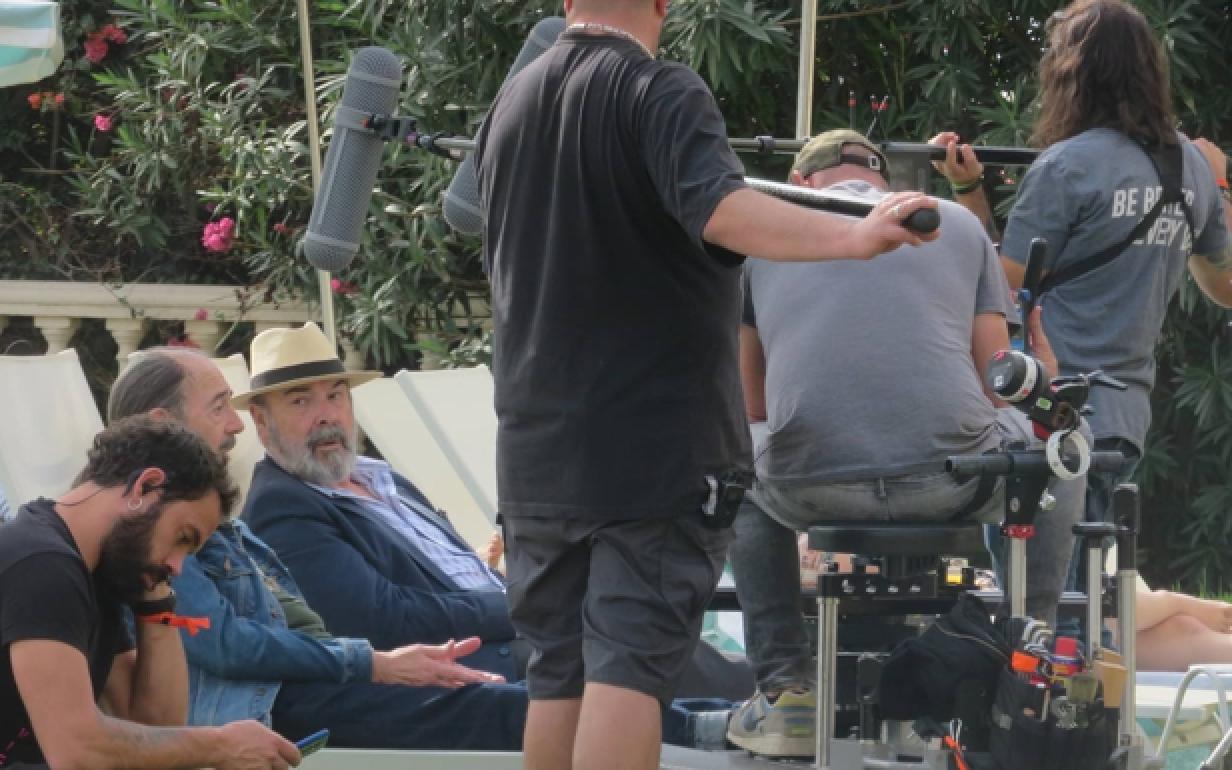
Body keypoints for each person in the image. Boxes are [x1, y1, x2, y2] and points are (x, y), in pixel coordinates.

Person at [474, 1, 941, 766]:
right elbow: (722, 210)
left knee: (556, 673)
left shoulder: (512, 103)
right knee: (627, 667)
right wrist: (853, 235)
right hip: (650, 453)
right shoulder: (659, 89)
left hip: (535, 449)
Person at [723, 130, 1086, 757]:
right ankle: (1028, 653)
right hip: (952, 478)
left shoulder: (763, 237)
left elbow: (751, 406)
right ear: (881, 181)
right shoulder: (956, 226)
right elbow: (995, 383)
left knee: (732, 455)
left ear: (801, 184)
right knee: (1064, 444)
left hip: (810, 486)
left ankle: (786, 691)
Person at [235, 326, 754, 720]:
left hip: (523, 623)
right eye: (300, 401)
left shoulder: (379, 478)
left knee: (637, 618)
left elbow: (455, 567)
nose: (326, 415)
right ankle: (757, 707)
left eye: (335, 394)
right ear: (261, 421)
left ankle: (760, 700)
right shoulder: (285, 508)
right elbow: (384, 620)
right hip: (481, 654)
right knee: (622, 640)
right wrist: (531, 603)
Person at [933, 0, 1232, 598]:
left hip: (1048, 415)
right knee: (1089, 602)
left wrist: (967, 190)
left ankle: (1041, 694)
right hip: (1125, 418)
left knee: (1035, 602)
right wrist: (1218, 185)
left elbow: (1002, 288)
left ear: (1072, 72)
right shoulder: (1192, 169)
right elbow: (1224, 287)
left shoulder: (1068, 165)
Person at [108, 346, 529, 750]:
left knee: (552, 691)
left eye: (336, 395)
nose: (234, 426)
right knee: (532, 705)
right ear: (163, 422)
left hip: (320, 682)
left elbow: (293, 627)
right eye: (220, 408)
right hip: (276, 709)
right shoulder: (156, 524)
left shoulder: (208, 518)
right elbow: (224, 643)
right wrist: (373, 663)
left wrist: (376, 664)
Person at [0, 416, 300, 769]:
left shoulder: (94, 574)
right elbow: (76, 750)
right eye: (183, 537)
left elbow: (149, 732)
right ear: (145, 487)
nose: (178, 567)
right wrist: (219, 745)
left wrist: (157, 603)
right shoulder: (41, 564)